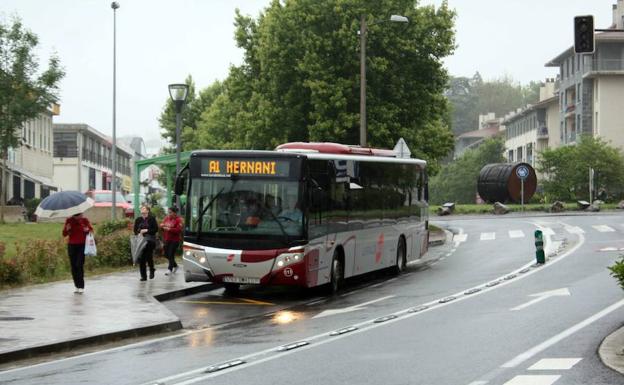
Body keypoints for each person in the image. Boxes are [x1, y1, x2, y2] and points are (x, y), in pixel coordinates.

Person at [62, 212, 93, 294]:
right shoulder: (69, 220)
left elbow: (90, 230)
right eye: (79, 215)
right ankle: (76, 286)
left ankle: (81, 286)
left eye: (81, 214)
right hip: (72, 245)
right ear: (75, 215)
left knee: (79, 265)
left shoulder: (84, 220)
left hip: (82, 246)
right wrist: (67, 229)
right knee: (73, 266)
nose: (81, 215)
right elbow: (64, 234)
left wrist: (87, 230)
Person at [134, 204, 158, 281]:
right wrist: (139, 232)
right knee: (142, 259)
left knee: (148, 256)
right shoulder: (138, 219)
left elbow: (155, 229)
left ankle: (152, 269)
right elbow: (135, 230)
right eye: (141, 208)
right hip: (141, 241)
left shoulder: (152, 219)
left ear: (147, 210)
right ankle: (143, 276)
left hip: (150, 241)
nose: (142, 209)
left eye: (144, 208)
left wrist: (147, 230)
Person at [160, 207, 183, 275]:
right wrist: (162, 226)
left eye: (170, 212)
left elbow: (179, 230)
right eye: (168, 212)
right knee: (166, 254)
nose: (169, 214)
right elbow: (163, 226)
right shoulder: (167, 218)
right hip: (167, 239)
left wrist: (169, 229)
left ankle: (170, 269)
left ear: (175, 213)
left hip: (174, 240)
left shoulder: (178, 220)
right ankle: (175, 265)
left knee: (171, 254)